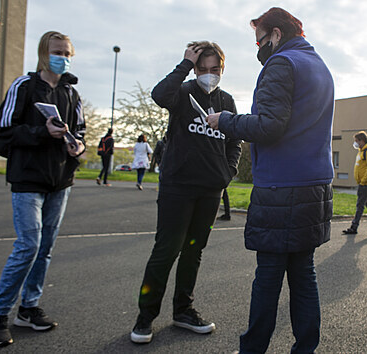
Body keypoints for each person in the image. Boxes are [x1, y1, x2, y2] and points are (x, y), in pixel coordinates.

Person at [207, 7, 334, 353]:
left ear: (276, 34)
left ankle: (253, 349)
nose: (259, 48)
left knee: (268, 276)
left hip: (282, 186)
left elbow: (269, 125)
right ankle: (305, 347)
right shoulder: (319, 65)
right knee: (303, 274)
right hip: (315, 185)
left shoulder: (282, 63)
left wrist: (226, 120)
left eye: (260, 40)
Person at [130, 40, 242, 344]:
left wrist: (227, 172)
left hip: (211, 189)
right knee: (166, 251)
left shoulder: (228, 101)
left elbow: (234, 141)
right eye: (202, 68)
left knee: (194, 251)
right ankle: (145, 317)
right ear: (194, 68)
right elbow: (159, 95)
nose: (209, 74)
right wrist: (183, 65)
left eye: (214, 69)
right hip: (177, 186)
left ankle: (184, 310)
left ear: (222, 68)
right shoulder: (182, 92)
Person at [0, 31, 85, 347]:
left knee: (45, 249)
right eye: (57, 51)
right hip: (28, 180)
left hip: (61, 181)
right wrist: (41, 132)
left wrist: (77, 147)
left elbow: (81, 131)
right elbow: (3, 136)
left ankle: (28, 309)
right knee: (29, 244)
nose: (63, 57)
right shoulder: (23, 87)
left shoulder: (72, 94)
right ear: (43, 54)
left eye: (67, 52)